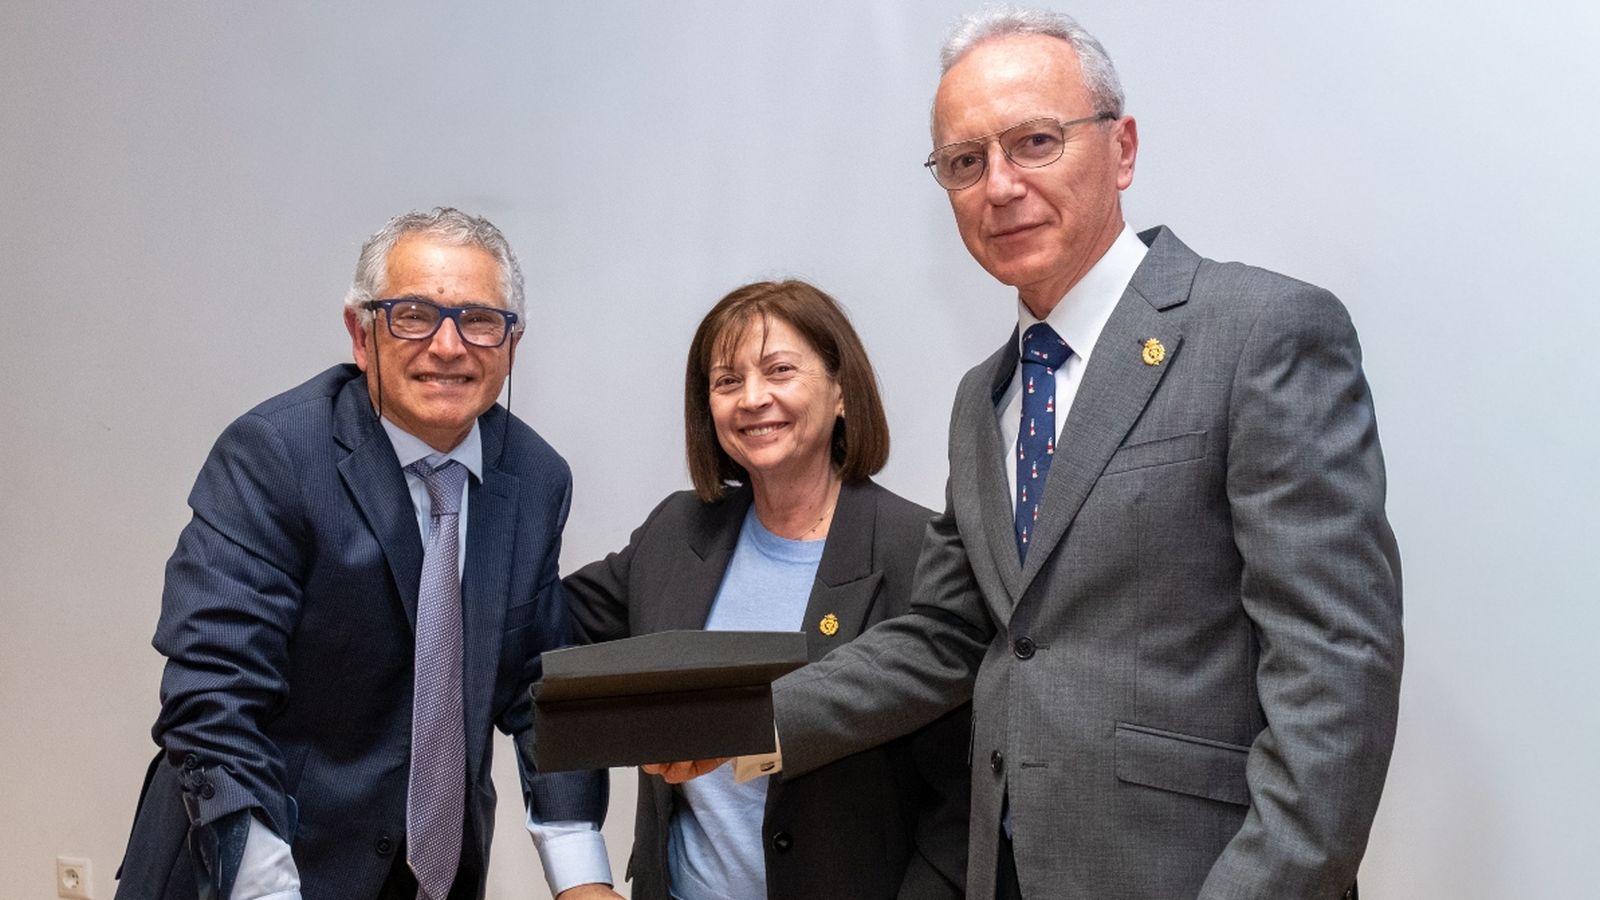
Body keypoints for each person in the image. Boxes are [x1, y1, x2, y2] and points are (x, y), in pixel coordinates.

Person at [659, 9, 1403, 900]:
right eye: (964, 162)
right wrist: (750, 716)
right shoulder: (986, 397)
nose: (999, 185)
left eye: (1035, 142)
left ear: (1122, 149)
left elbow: (1336, 665)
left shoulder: (1260, 333)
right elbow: (948, 635)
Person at [115, 208, 620, 900]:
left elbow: (541, 688)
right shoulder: (276, 456)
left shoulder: (535, 479)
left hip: (427, 877)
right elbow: (213, 697)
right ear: (361, 332)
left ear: (511, 342)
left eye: (478, 320)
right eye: (413, 314)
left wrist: (581, 875)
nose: (448, 346)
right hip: (252, 867)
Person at [564, 280, 971, 900]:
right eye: (727, 381)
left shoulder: (919, 550)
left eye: (779, 370)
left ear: (840, 389)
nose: (753, 399)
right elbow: (538, 631)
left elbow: (961, 809)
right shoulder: (676, 531)